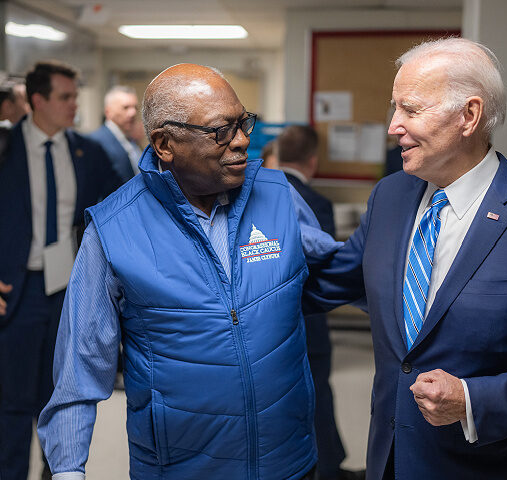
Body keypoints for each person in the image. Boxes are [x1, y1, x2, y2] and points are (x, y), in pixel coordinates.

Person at [303, 37, 507, 480]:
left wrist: (473, 400)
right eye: (395, 108)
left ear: (469, 116)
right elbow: (335, 280)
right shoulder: (390, 197)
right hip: (389, 460)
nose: (394, 126)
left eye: (410, 110)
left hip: (485, 467)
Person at [37, 63, 338, 480]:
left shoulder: (278, 193)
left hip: (289, 463)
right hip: (180, 470)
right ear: (164, 143)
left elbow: (340, 271)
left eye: (243, 123)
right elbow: (78, 371)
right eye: (222, 130)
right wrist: (68, 471)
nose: (243, 142)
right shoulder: (113, 229)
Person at [0, 60, 120, 480]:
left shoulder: (88, 152)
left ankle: (58, 473)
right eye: (65, 97)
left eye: (74, 96)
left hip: (71, 289)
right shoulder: (5, 149)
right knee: (12, 403)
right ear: (38, 101)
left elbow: (111, 212)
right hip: (17, 291)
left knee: (62, 396)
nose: (74, 105)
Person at [278, 125, 364, 480]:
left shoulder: (253, 193)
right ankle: (327, 469)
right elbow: (328, 268)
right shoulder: (315, 203)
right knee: (317, 395)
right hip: (307, 320)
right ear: (312, 160)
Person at [90, 85, 142, 183]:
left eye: (135, 107)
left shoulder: (130, 141)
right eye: (125, 108)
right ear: (108, 112)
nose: (133, 113)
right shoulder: (96, 142)